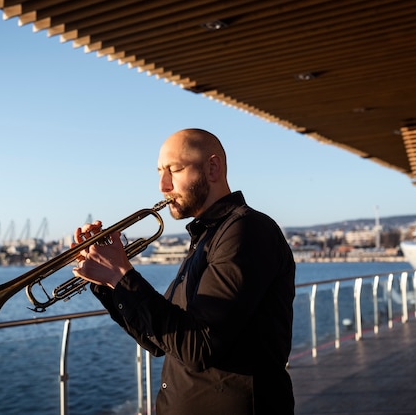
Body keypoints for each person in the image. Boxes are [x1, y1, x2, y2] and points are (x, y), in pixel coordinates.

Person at [72, 128, 295, 414]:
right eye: (159, 172)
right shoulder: (207, 237)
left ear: (212, 167)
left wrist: (122, 275)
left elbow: (198, 347)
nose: (163, 185)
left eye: (174, 170)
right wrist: (106, 281)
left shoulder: (246, 231)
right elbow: (158, 340)